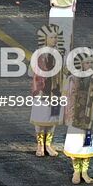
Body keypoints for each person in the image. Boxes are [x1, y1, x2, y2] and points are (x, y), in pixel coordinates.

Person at [62, 50, 93, 184]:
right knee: (76, 145)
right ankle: (76, 171)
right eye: (87, 62)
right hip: (77, 116)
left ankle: (85, 172)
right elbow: (66, 95)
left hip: (92, 117)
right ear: (81, 64)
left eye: (92, 62)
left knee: (88, 144)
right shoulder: (73, 78)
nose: (90, 65)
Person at [30, 25, 67, 157]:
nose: (54, 40)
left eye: (56, 37)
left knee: (52, 118)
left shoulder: (60, 54)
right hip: (42, 91)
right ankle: (40, 144)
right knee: (40, 119)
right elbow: (32, 72)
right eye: (51, 37)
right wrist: (39, 88)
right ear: (45, 39)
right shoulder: (38, 54)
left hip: (56, 90)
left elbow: (64, 71)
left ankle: (48, 144)